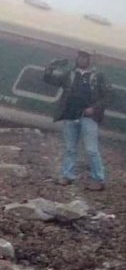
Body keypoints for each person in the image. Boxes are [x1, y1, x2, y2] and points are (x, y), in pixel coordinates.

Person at [43, 50, 110, 190]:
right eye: (80, 57)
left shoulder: (99, 76)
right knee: (69, 148)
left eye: (85, 57)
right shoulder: (70, 74)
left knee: (91, 149)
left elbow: (108, 96)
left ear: (90, 60)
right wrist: (50, 67)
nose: (82, 59)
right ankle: (67, 176)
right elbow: (50, 80)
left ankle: (99, 179)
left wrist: (94, 108)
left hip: (89, 117)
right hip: (70, 115)